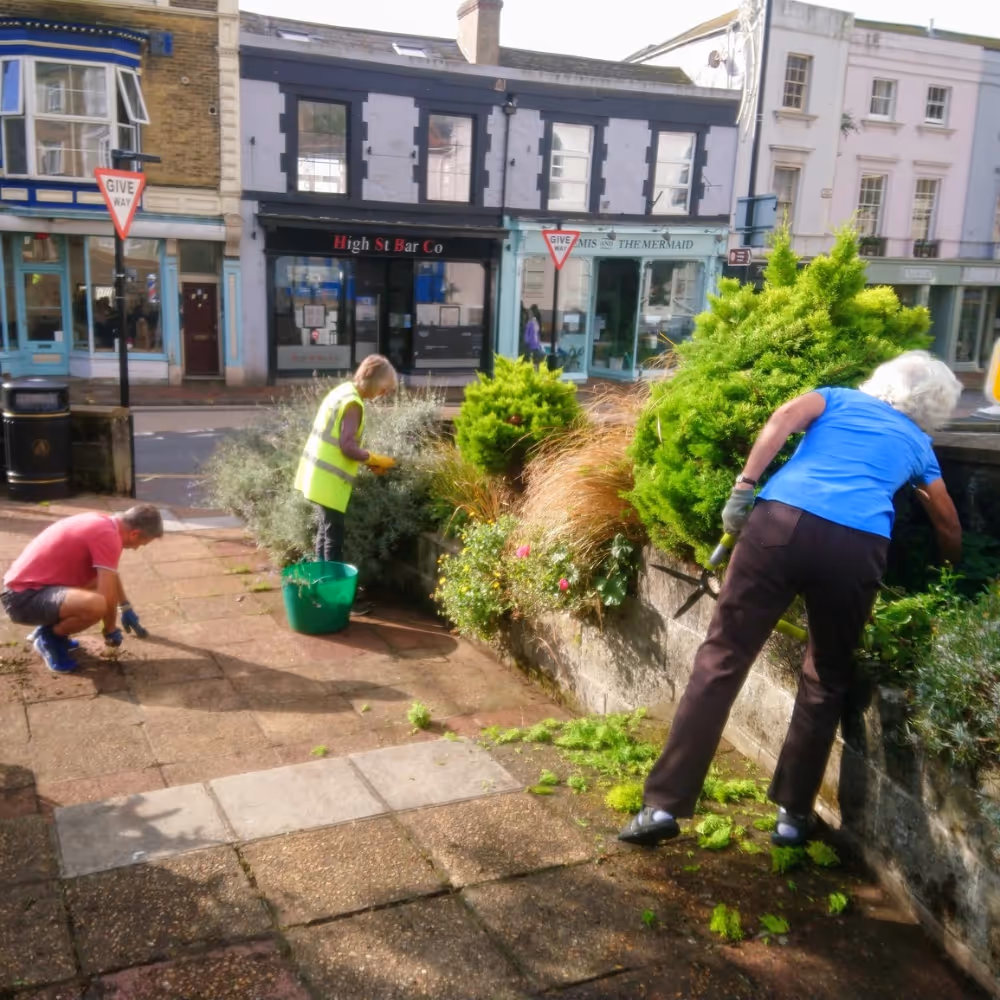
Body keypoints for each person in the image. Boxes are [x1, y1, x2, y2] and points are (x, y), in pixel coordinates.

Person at [619, 350, 963, 849]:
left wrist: (743, 488)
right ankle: (792, 815)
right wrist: (946, 572)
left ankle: (662, 807)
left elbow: (781, 419)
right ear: (935, 406)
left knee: (721, 657)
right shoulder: (918, 445)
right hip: (857, 546)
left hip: (780, 524)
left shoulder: (837, 399)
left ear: (882, 380)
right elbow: (947, 521)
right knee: (826, 674)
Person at [1, 504, 163, 673]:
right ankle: (49, 639)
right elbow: (106, 597)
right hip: (23, 599)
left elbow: (110, 576)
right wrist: (110, 630)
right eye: (141, 544)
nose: (136, 548)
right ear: (134, 533)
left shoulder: (104, 523)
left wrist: (125, 606)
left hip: (27, 590)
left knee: (97, 583)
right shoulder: (108, 537)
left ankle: (50, 628)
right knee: (96, 605)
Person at [294, 354, 398, 570]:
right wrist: (374, 458)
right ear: (374, 381)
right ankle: (330, 591)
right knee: (333, 537)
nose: (384, 393)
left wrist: (370, 463)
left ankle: (321, 582)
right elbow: (347, 446)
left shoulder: (343, 391)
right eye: (384, 388)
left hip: (317, 474)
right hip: (330, 481)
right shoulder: (353, 404)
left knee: (325, 531)